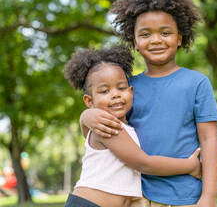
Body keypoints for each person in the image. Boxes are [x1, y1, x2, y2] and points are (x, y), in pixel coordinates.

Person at [80, 0, 217, 207]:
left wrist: (209, 197)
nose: (156, 40)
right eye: (146, 34)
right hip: (139, 195)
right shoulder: (127, 89)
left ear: (180, 38)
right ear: (134, 42)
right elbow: (106, 134)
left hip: (187, 195)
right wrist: (85, 117)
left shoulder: (197, 83)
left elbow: (210, 139)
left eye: (165, 33)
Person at [63, 46, 201, 207]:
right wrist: (190, 165)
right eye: (105, 91)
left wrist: (85, 117)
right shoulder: (109, 126)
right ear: (89, 101)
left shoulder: (120, 128)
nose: (115, 94)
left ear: (131, 92)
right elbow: (144, 163)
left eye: (121, 88)